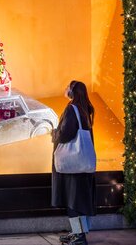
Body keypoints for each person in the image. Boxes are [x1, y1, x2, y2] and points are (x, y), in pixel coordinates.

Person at [52, 80, 96, 245]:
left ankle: (79, 237)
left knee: (73, 201)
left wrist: (55, 133)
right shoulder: (86, 109)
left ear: (72, 92)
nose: (65, 89)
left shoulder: (72, 108)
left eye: (67, 87)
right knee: (79, 200)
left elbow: (65, 134)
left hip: (72, 165)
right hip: (82, 162)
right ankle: (78, 233)